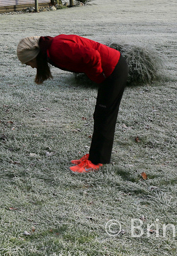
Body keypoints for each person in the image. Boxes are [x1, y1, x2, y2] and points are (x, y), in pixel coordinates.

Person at [16, 35, 129, 173]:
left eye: (28, 63)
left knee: (105, 116)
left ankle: (96, 161)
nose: (31, 67)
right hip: (111, 69)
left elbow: (92, 56)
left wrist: (99, 78)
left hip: (113, 69)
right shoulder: (51, 49)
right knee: (100, 115)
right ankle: (95, 157)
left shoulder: (57, 49)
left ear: (33, 56)